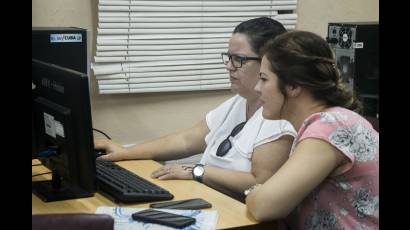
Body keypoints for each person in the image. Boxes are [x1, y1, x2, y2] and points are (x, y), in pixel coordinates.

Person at [95, 17, 296, 200]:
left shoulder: (279, 118)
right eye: (229, 57)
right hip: (207, 198)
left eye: (239, 59)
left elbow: (260, 183)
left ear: (267, 64)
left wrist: (197, 171)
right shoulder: (239, 101)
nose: (228, 66)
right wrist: (125, 152)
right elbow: (187, 139)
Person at [246, 30, 379, 229]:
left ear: (293, 86)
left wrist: (255, 192)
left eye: (264, 79)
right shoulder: (330, 120)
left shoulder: (329, 127)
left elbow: (264, 206)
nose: (257, 88)